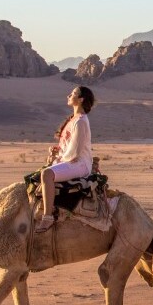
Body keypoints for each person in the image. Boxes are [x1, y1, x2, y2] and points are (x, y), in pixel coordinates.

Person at [36, 85, 95, 232]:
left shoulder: (81, 121)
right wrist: (57, 151)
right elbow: (68, 146)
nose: (69, 96)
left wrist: (58, 159)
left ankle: (47, 217)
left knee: (47, 174)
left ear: (80, 99)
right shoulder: (73, 120)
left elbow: (74, 152)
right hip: (70, 160)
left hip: (79, 163)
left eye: (73, 94)